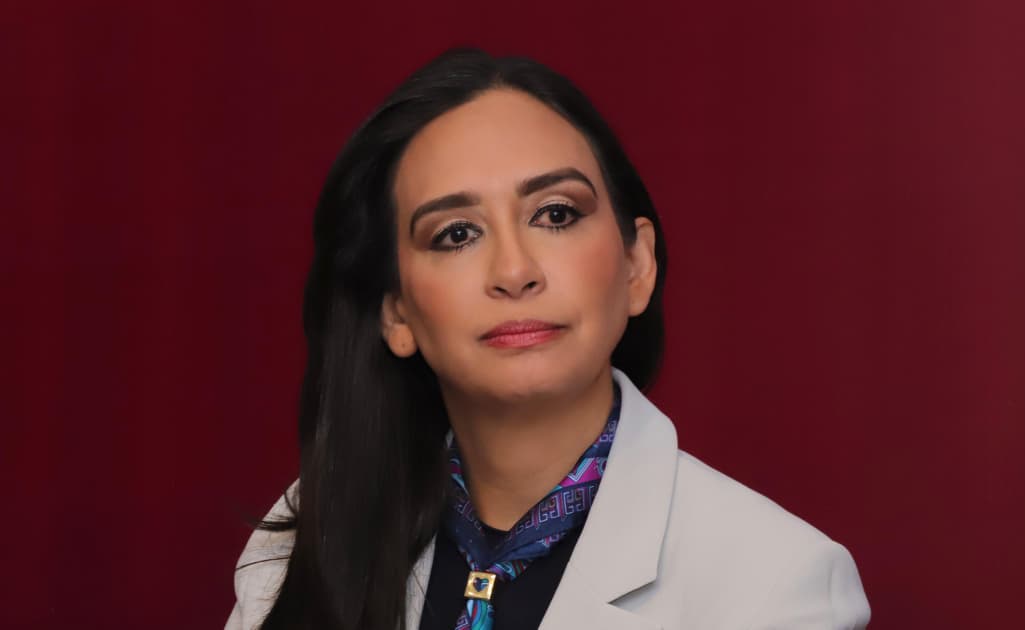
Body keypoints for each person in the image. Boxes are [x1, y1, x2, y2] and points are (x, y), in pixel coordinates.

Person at [225, 49, 871, 630]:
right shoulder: (301, 543)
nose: (514, 272)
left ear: (637, 264)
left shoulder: (777, 585)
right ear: (395, 314)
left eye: (556, 214)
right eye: (456, 234)